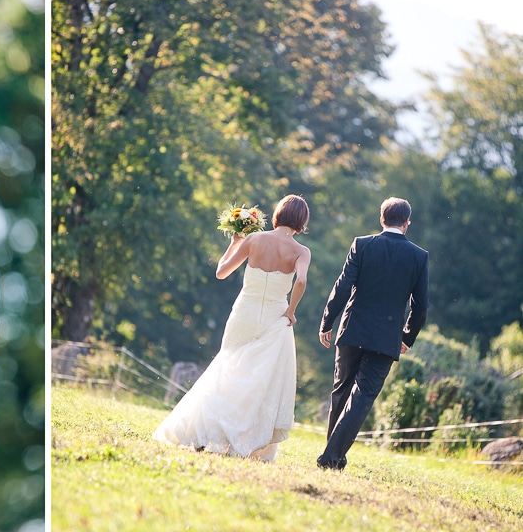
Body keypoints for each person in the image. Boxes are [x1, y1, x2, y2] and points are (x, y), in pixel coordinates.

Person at [153, 194, 311, 462]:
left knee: (228, 371)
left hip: (244, 313)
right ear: (301, 221)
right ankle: (247, 442)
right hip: (275, 318)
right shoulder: (301, 251)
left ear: (278, 214)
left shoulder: (255, 239)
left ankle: (206, 432)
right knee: (260, 381)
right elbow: (302, 281)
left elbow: (222, 272)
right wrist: (291, 311)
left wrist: (236, 242)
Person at [317, 197, 429, 470]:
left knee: (341, 393)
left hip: (352, 330)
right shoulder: (419, 256)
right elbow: (421, 306)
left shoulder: (362, 244)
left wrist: (327, 321)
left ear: (382, 219)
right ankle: (333, 457)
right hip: (385, 339)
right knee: (362, 397)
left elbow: (342, 287)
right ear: (406, 223)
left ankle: (333, 455)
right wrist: (406, 338)